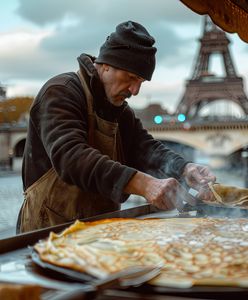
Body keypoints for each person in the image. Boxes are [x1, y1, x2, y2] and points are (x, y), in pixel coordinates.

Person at [17, 20, 216, 233]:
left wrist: (184, 168)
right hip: (48, 230)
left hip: (100, 230)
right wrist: (145, 184)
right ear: (105, 66)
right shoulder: (60, 91)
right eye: (130, 77)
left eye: (141, 82)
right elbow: (71, 157)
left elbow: (145, 148)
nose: (135, 90)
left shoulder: (119, 108)